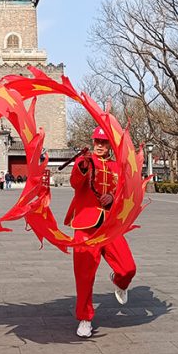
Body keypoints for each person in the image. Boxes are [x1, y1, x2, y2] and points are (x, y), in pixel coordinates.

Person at [66, 126, 137, 338]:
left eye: (104, 142)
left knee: (128, 268)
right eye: (97, 141)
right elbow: (74, 183)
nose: (99, 145)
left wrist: (114, 199)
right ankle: (85, 318)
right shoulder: (86, 161)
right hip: (85, 226)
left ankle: (119, 282)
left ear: (110, 146)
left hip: (110, 226)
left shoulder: (119, 166)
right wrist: (83, 166)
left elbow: (126, 193)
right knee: (84, 276)